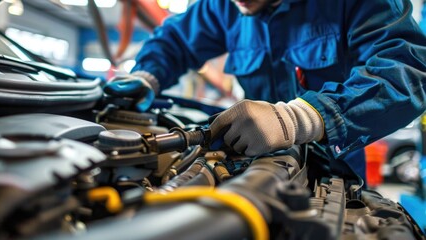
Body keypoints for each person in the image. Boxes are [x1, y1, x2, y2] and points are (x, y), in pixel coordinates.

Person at [104, 0, 426, 181]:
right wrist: (148, 75)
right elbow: (175, 39)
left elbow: (409, 71)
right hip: (252, 168)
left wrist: (300, 119)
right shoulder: (225, 7)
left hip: (335, 177)